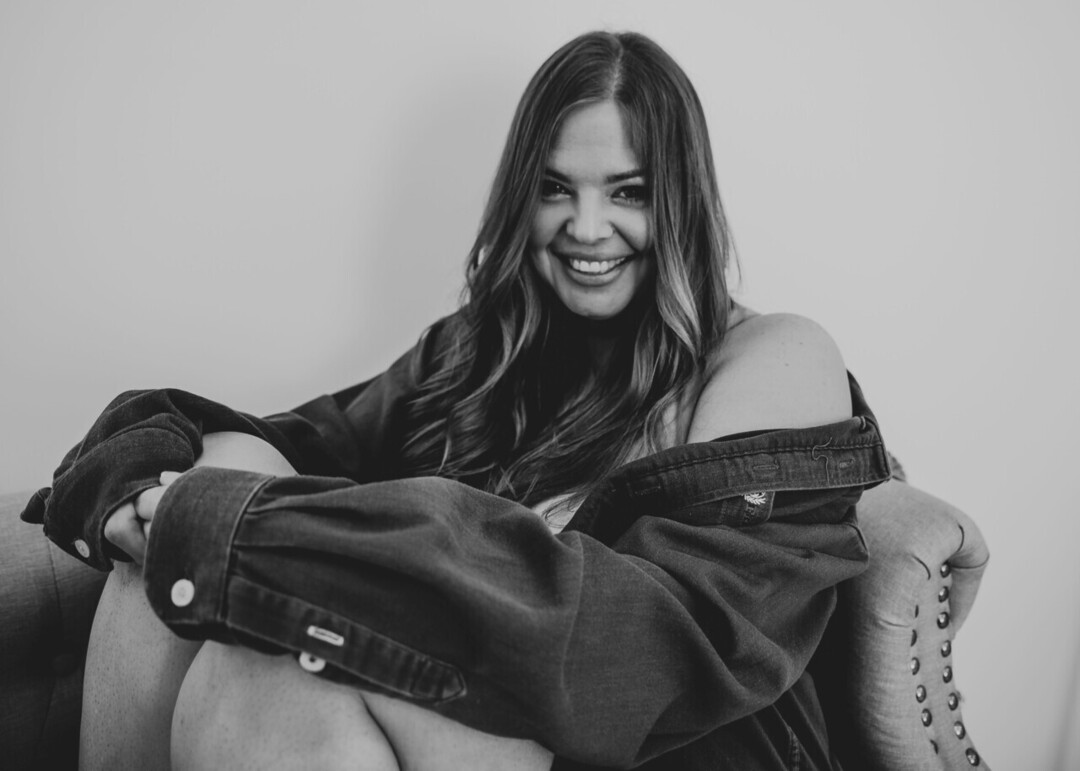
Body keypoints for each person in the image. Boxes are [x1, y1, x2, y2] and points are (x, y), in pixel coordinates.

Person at [21, 31, 892, 770]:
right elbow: (290, 444)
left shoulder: (773, 354)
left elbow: (653, 649)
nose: (588, 227)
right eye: (556, 187)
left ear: (683, 199)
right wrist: (152, 487)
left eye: (628, 191)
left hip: (674, 741)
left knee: (253, 647)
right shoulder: (482, 349)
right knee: (183, 558)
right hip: (499, 727)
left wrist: (250, 534)